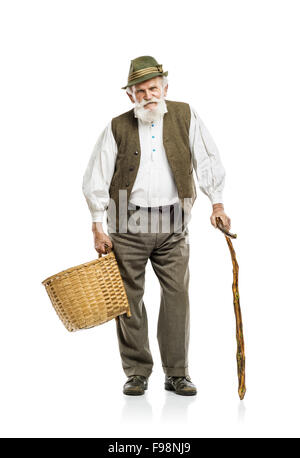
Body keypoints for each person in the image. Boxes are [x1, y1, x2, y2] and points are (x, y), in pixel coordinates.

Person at [82, 55, 231, 396]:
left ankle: (177, 373)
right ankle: (137, 372)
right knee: (127, 300)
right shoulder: (117, 126)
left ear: (165, 87)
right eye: (140, 91)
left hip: (173, 222)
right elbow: (97, 177)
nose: (148, 95)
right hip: (126, 223)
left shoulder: (185, 114)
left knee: (177, 295)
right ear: (130, 96)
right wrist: (97, 225)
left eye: (153, 88)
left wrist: (217, 203)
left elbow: (208, 159)